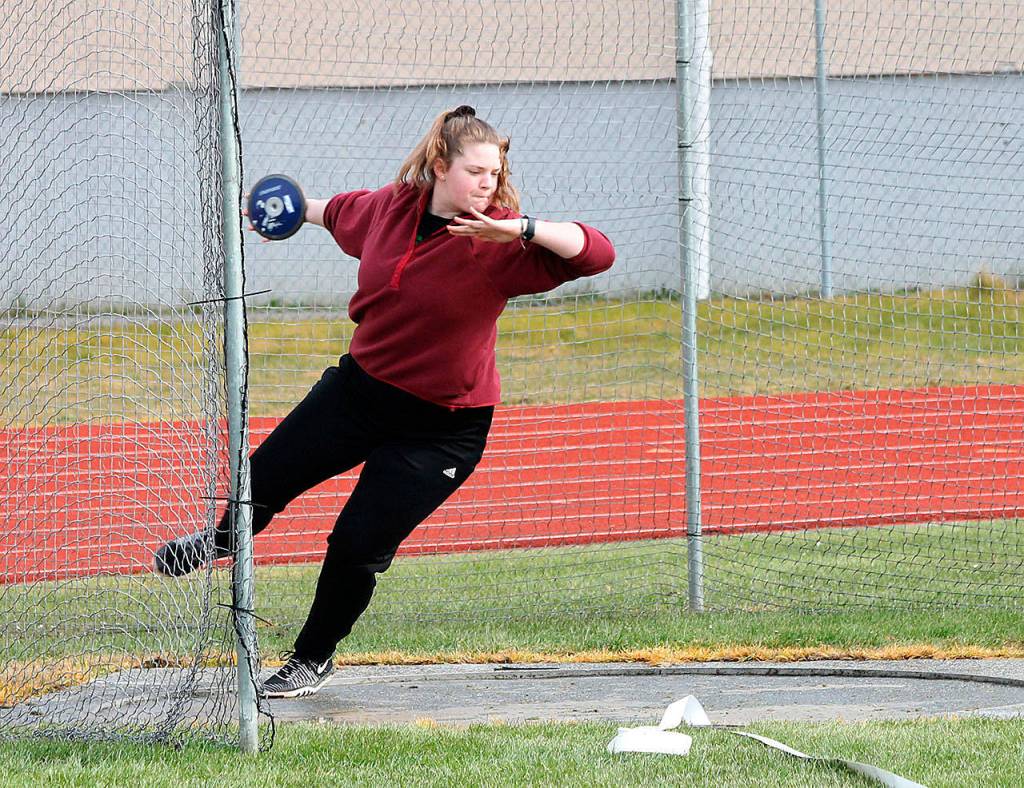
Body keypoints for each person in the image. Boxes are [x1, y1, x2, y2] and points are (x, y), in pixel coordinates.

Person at [154, 105, 615, 698]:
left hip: (442, 427)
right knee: (261, 478)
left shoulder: (500, 241)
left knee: (356, 543)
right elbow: (333, 213)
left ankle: (312, 657)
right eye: (476, 171)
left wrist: (521, 228)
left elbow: (597, 252)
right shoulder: (391, 207)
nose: (488, 184)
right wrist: (285, 210)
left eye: (495, 174)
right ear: (440, 166)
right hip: (360, 391)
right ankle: (220, 541)